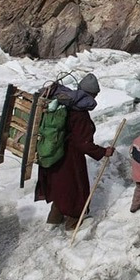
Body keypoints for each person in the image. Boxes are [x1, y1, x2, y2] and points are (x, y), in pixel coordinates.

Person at [35, 73, 115, 231]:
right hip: (69, 159)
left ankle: (54, 219)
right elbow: (82, 143)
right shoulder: (79, 113)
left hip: (54, 155)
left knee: (60, 187)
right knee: (75, 190)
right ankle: (73, 223)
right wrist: (103, 151)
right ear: (92, 94)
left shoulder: (64, 106)